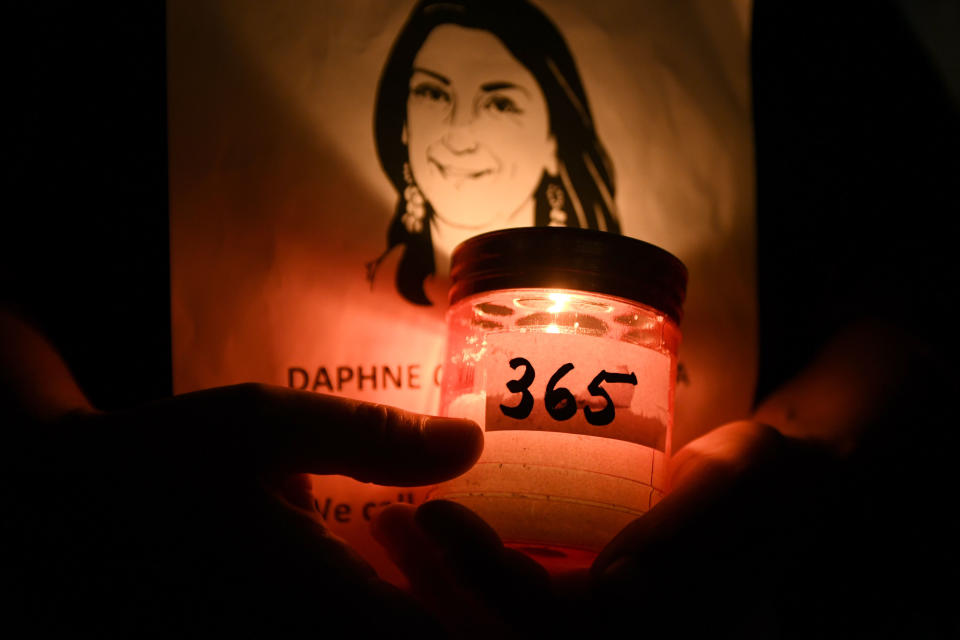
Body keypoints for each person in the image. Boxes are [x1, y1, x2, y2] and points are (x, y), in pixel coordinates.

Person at [368, 0, 620, 305]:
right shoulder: (370, 279)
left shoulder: (594, 309)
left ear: (554, 141)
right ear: (403, 124)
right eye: (433, 93)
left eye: (499, 104)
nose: (459, 136)